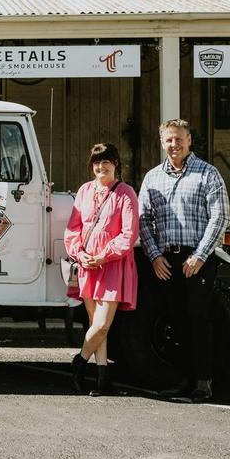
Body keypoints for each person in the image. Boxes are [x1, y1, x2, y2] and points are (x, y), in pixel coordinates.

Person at [138, 118, 229, 402]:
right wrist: (153, 256)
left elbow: (220, 216)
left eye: (179, 139)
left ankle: (204, 380)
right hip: (166, 261)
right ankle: (182, 378)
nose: (174, 144)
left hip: (198, 259)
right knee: (175, 320)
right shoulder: (152, 177)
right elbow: (143, 220)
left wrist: (200, 255)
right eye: (169, 140)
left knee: (198, 318)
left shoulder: (208, 173)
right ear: (162, 143)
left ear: (189, 140)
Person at [64, 143, 140, 396]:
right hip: (88, 264)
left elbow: (128, 234)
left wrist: (103, 256)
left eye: (106, 161)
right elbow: (73, 228)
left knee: (102, 325)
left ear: (116, 163)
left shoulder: (125, 192)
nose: (101, 166)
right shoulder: (84, 191)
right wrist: (80, 253)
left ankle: (79, 363)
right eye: (96, 162)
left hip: (112, 265)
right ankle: (102, 380)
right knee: (95, 323)